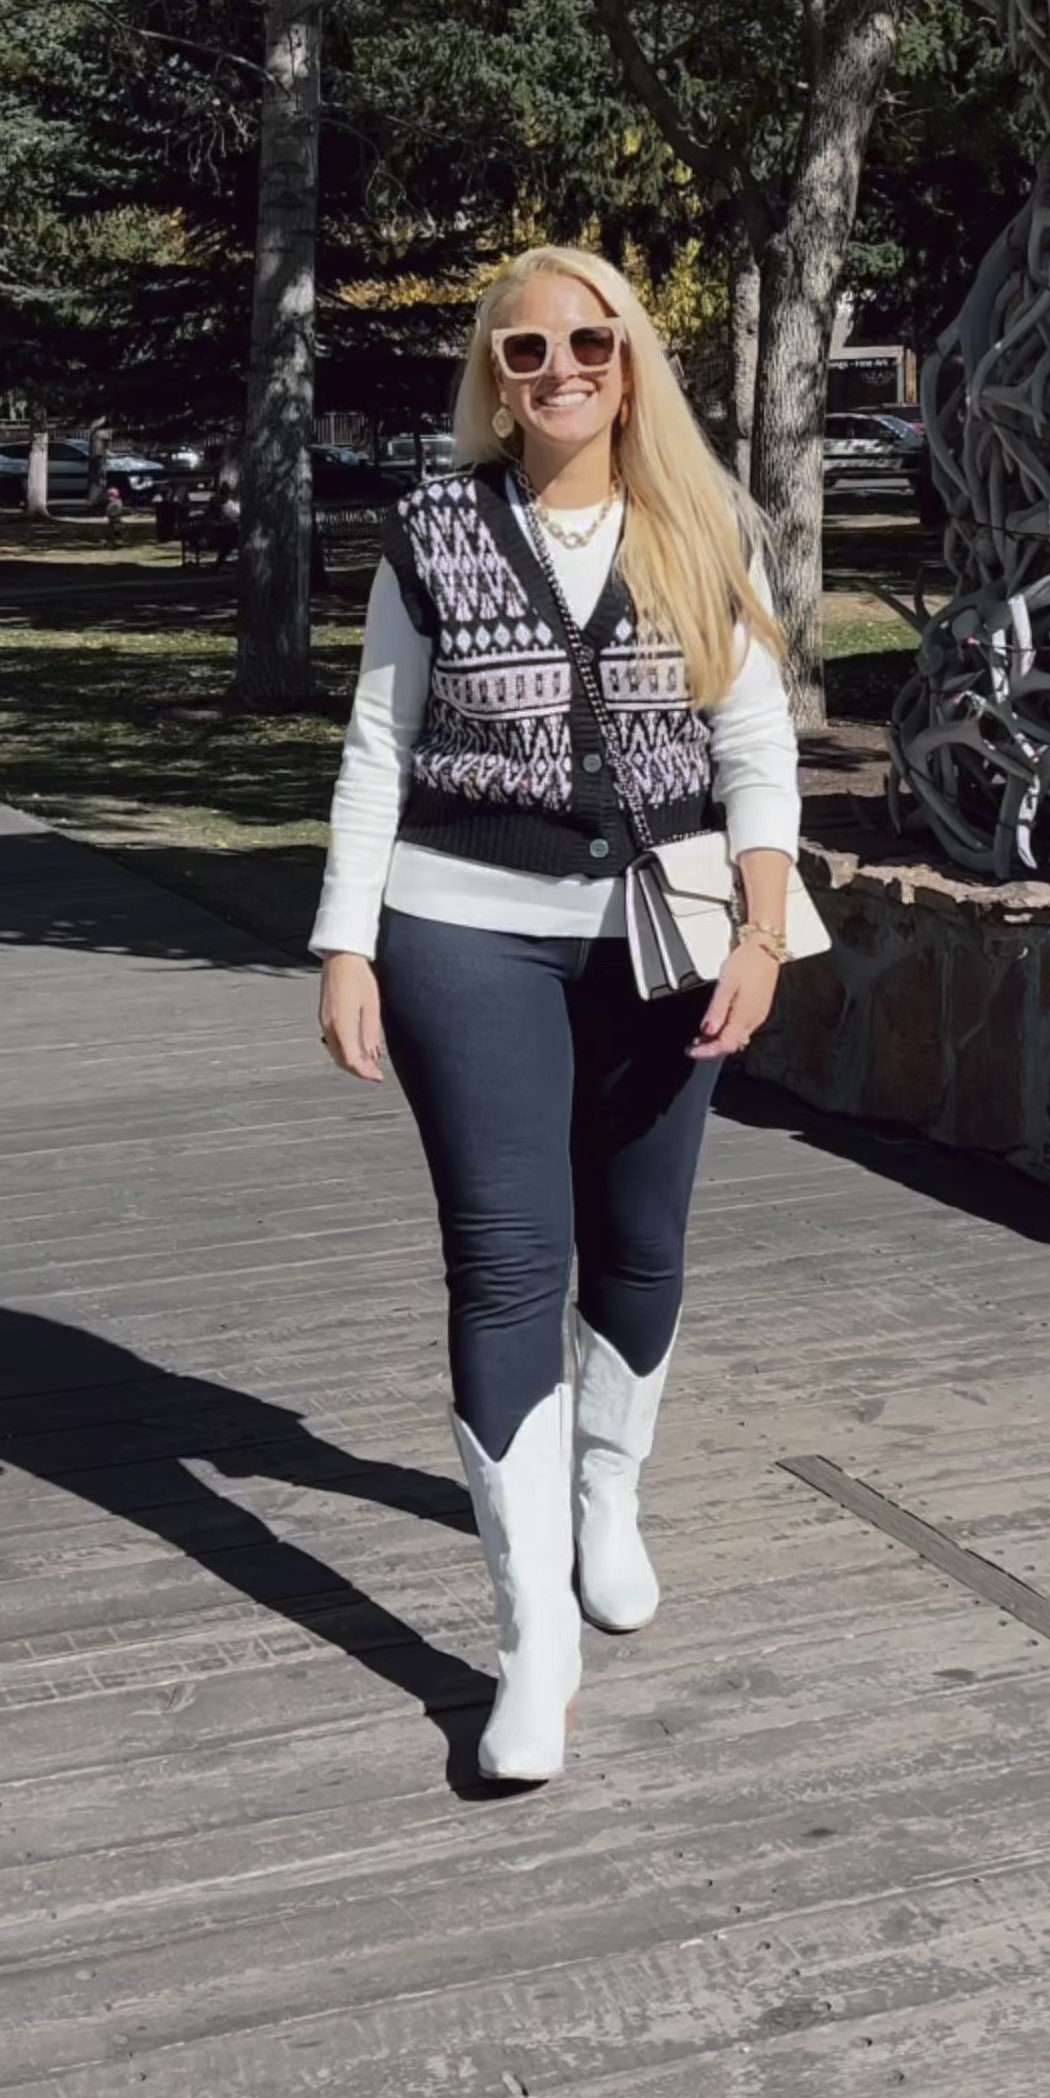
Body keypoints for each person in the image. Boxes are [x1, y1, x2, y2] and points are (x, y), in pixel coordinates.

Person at [314, 246, 800, 1786]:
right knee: (510, 1259)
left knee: (641, 1238)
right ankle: (533, 1644)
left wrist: (770, 932)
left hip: (672, 927)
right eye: (524, 352)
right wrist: (344, 946)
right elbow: (378, 753)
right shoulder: (437, 530)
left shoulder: (706, 524)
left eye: (588, 341)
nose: (560, 370)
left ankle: (606, 1494)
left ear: (632, 359)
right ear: (494, 377)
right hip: (463, 924)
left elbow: (757, 750)